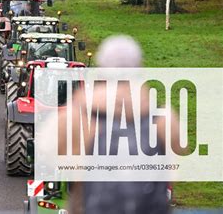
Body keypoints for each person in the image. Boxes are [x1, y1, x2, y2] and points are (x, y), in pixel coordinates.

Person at [68, 35, 180, 214]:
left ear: (102, 71)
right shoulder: (165, 119)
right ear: (140, 69)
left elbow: (49, 149)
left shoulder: (84, 119)